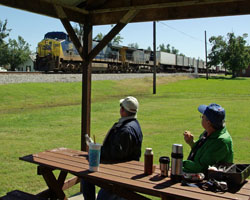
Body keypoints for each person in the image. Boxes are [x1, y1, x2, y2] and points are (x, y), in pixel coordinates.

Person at [82, 96, 143, 200]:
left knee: (91, 183)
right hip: (121, 171)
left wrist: (97, 150)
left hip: (120, 175)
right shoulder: (132, 125)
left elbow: (115, 154)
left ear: (123, 110)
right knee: (86, 178)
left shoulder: (126, 130)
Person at [183, 103, 233, 174]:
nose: (201, 118)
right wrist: (191, 143)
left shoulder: (220, 141)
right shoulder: (209, 132)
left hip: (212, 181)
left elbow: (202, 168)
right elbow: (202, 153)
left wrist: (180, 163)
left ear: (208, 123)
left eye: (202, 117)